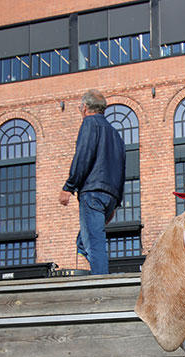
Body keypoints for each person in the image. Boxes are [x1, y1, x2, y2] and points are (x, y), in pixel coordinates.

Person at [59, 89, 126, 275]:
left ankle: (101, 283)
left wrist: (69, 187)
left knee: (94, 243)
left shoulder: (89, 124)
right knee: (83, 241)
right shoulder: (116, 134)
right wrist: (116, 202)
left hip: (93, 193)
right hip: (110, 195)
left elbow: (83, 155)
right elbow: (122, 167)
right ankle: (97, 270)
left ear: (84, 107)